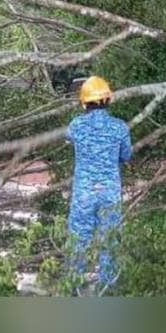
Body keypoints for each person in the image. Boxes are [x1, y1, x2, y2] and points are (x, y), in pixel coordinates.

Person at [66, 75, 132, 293]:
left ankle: (74, 288)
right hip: (109, 192)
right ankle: (109, 289)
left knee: (79, 239)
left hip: (84, 193)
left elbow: (71, 141)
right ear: (108, 99)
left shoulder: (75, 126)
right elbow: (126, 155)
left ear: (84, 103)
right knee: (109, 241)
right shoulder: (120, 128)